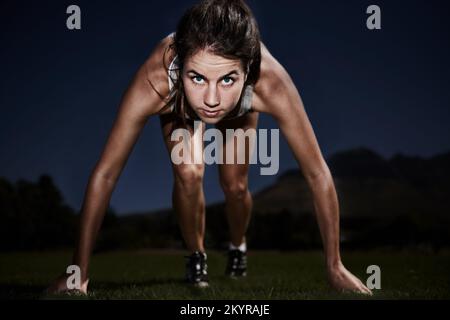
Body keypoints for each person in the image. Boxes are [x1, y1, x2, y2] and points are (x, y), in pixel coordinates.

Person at [47, 0, 372, 295]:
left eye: (228, 79)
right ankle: (196, 255)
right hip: (178, 106)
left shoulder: (271, 83)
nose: (212, 100)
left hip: (241, 110)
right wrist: (79, 271)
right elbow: (106, 174)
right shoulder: (156, 80)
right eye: (197, 77)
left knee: (235, 185)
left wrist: (334, 265)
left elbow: (316, 173)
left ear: (248, 70)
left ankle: (238, 247)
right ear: (181, 65)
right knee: (188, 173)